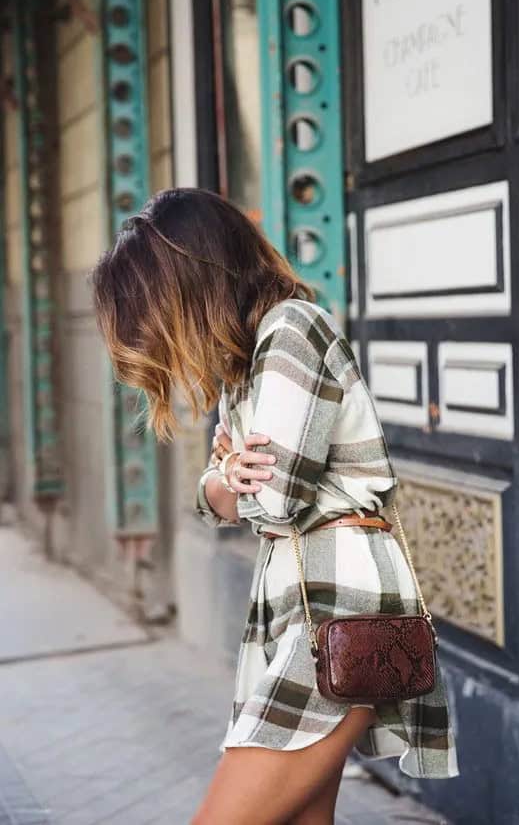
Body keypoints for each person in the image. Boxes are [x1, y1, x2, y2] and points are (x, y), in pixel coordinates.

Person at [90, 187, 459, 825]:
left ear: (193, 283)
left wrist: (231, 478)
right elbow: (213, 499)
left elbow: (276, 499)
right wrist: (228, 477)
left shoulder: (292, 330)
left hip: (339, 605)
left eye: (158, 309)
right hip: (297, 610)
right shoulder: (245, 367)